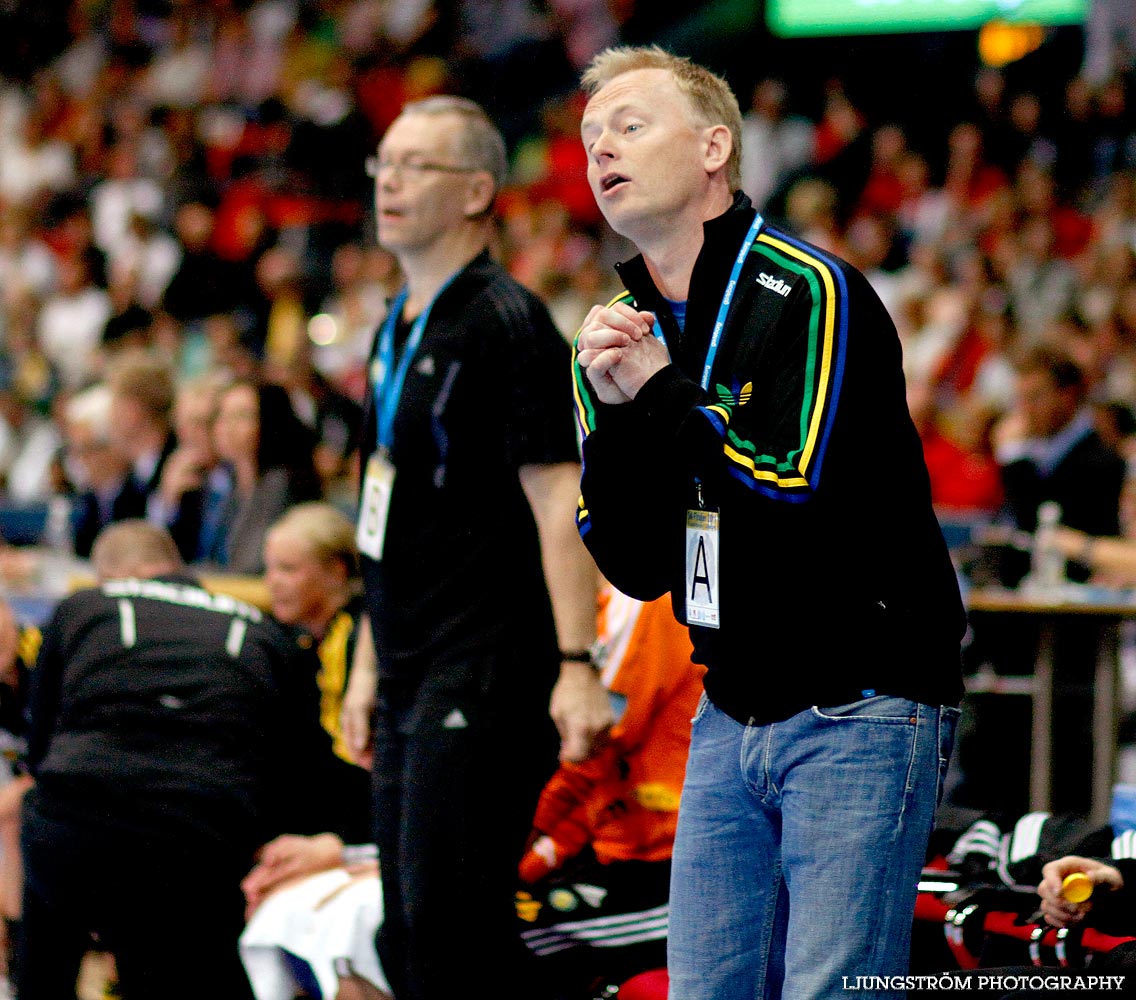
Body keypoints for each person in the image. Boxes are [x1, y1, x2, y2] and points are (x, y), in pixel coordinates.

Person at [571, 46, 965, 1000]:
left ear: (715, 147)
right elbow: (635, 562)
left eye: (630, 125)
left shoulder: (809, 290)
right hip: (728, 708)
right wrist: (618, 417)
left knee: (829, 991)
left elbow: (786, 495)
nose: (602, 152)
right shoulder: (621, 330)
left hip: (859, 700)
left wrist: (659, 397)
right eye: (589, 140)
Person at [342, 94, 611, 1000]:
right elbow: (391, 514)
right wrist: (365, 669)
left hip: (486, 661)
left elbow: (557, 494)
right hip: (408, 663)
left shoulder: (507, 321)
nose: (389, 179)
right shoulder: (393, 325)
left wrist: (576, 663)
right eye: (384, 161)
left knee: (456, 926)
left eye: (416, 164)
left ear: (476, 191)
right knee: (408, 930)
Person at [16, 520, 339, 999]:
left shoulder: (83, 606)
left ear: (113, 576)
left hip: (80, 819)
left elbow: (41, 745)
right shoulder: (263, 630)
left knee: (47, 917)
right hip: (204, 830)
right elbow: (295, 768)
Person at [264, 502, 371, 842]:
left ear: (336, 571)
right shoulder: (299, 639)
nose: (273, 583)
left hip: (356, 835)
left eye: (288, 569)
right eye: (269, 569)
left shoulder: (358, 641)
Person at [208, 378, 323, 573]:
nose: (227, 427)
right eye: (223, 416)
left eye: (241, 416)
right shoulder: (229, 483)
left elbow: (251, 566)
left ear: (267, 421)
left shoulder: (280, 484)